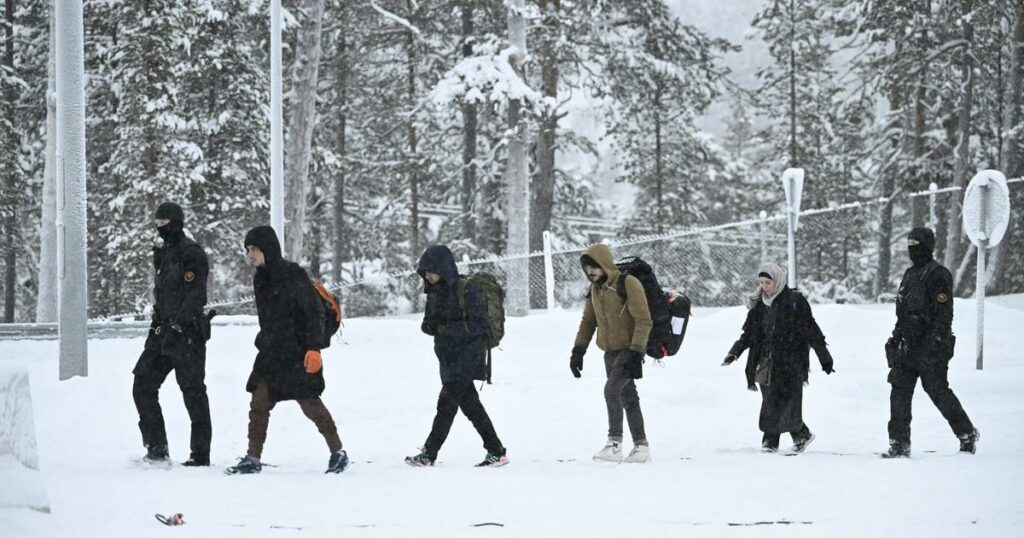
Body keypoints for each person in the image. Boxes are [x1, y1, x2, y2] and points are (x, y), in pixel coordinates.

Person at [226, 226, 348, 474]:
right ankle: (253, 458)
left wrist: (314, 348)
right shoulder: (260, 278)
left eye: (253, 249)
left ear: (267, 249)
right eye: (247, 249)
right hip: (271, 354)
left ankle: (338, 452)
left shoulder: (294, 274)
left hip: (298, 352)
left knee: (310, 404)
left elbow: (313, 313)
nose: (249, 254)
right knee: (259, 402)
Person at [405, 245, 508, 467]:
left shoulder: (466, 290)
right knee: (471, 406)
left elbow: (479, 324)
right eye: (426, 272)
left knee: (446, 406)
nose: (429, 276)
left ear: (443, 268)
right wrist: (431, 326)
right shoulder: (433, 293)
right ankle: (496, 451)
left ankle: (429, 454)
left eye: (432, 271)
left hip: (467, 356)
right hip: (447, 357)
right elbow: (427, 325)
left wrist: (446, 329)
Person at [882, 227, 978, 458]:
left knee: (937, 390)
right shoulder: (909, 275)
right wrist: (896, 338)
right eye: (909, 243)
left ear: (927, 245)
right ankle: (899, 442)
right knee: (899, 391)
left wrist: (935, 343)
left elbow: (944, 314)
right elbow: (903, 312)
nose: (912, 248)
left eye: (916, 243)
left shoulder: (938, 274)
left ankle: (966, 433)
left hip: (930, 347)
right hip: (907, 346)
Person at [132, 202, 213, 466]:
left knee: (192, 392)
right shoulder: (164, 252)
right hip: (162, 332)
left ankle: (199, 456)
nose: (159, 228)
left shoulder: (191, 254)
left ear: (175, 223)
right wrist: (158, 327)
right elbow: (164, 295)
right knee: (143, 384)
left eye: (163, 223)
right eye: (156, 223)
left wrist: (178, 326)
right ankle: (156, 449)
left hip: (187, 335)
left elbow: (195, 296)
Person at [723, 263, 834, 453]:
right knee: (772, 402)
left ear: (778, 280)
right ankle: (800, 435)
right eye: (761, 282)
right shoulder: (758, 305)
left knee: (784, 401)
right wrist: (735, 352)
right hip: (765, 362)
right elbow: (748, 334)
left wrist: (824, 357)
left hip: (791, 362)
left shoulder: (794, 301)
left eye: (768, 282)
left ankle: (771, 442)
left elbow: (811, 330)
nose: (764, 286)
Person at [571, 244, 653, 463]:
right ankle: (641, 447)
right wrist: (578, 351)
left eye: (594, 266)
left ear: (605, 264)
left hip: (629, 349)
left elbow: (644, 320)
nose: (590, 271)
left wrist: (637, 351)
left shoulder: (628, 283)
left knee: (611, 390)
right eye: (586, 268)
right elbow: (588, 322)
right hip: (610, 352)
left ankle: (614, 444)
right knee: (628, 397)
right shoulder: (595, 290)